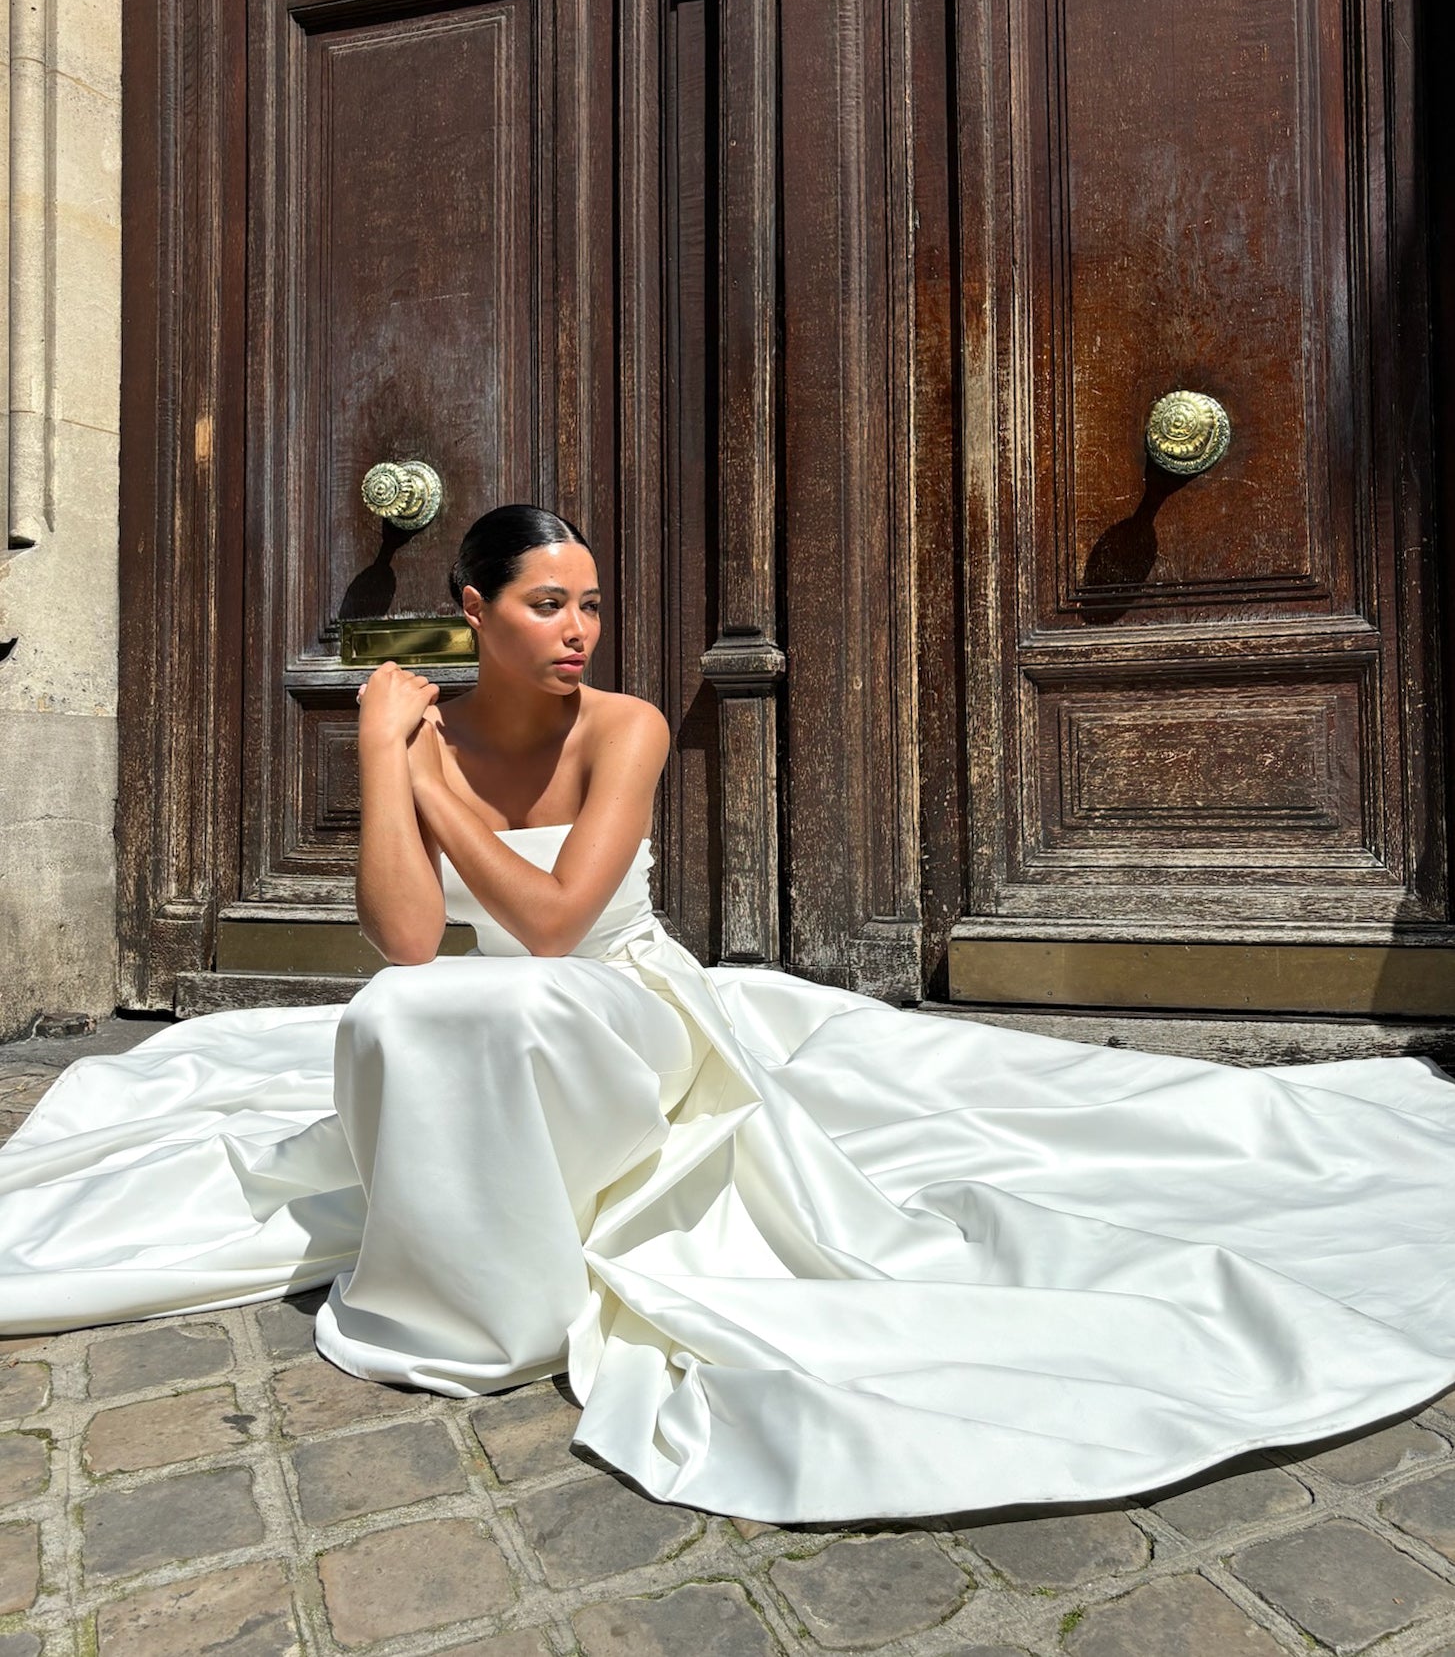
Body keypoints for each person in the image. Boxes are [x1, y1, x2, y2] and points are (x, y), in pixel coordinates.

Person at [3, 503, 1455, 1524]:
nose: (576, 629)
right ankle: (474, 1292)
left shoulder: (625, 725)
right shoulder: (427, 733)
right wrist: (392, 769)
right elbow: (401, 939)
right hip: (471, 1017)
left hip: (619, 1009)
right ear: (473, 614)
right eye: (542, 603)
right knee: (405, 1010)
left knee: (493, 1014)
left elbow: (562, 925)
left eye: (586, 603)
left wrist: (419, 771)